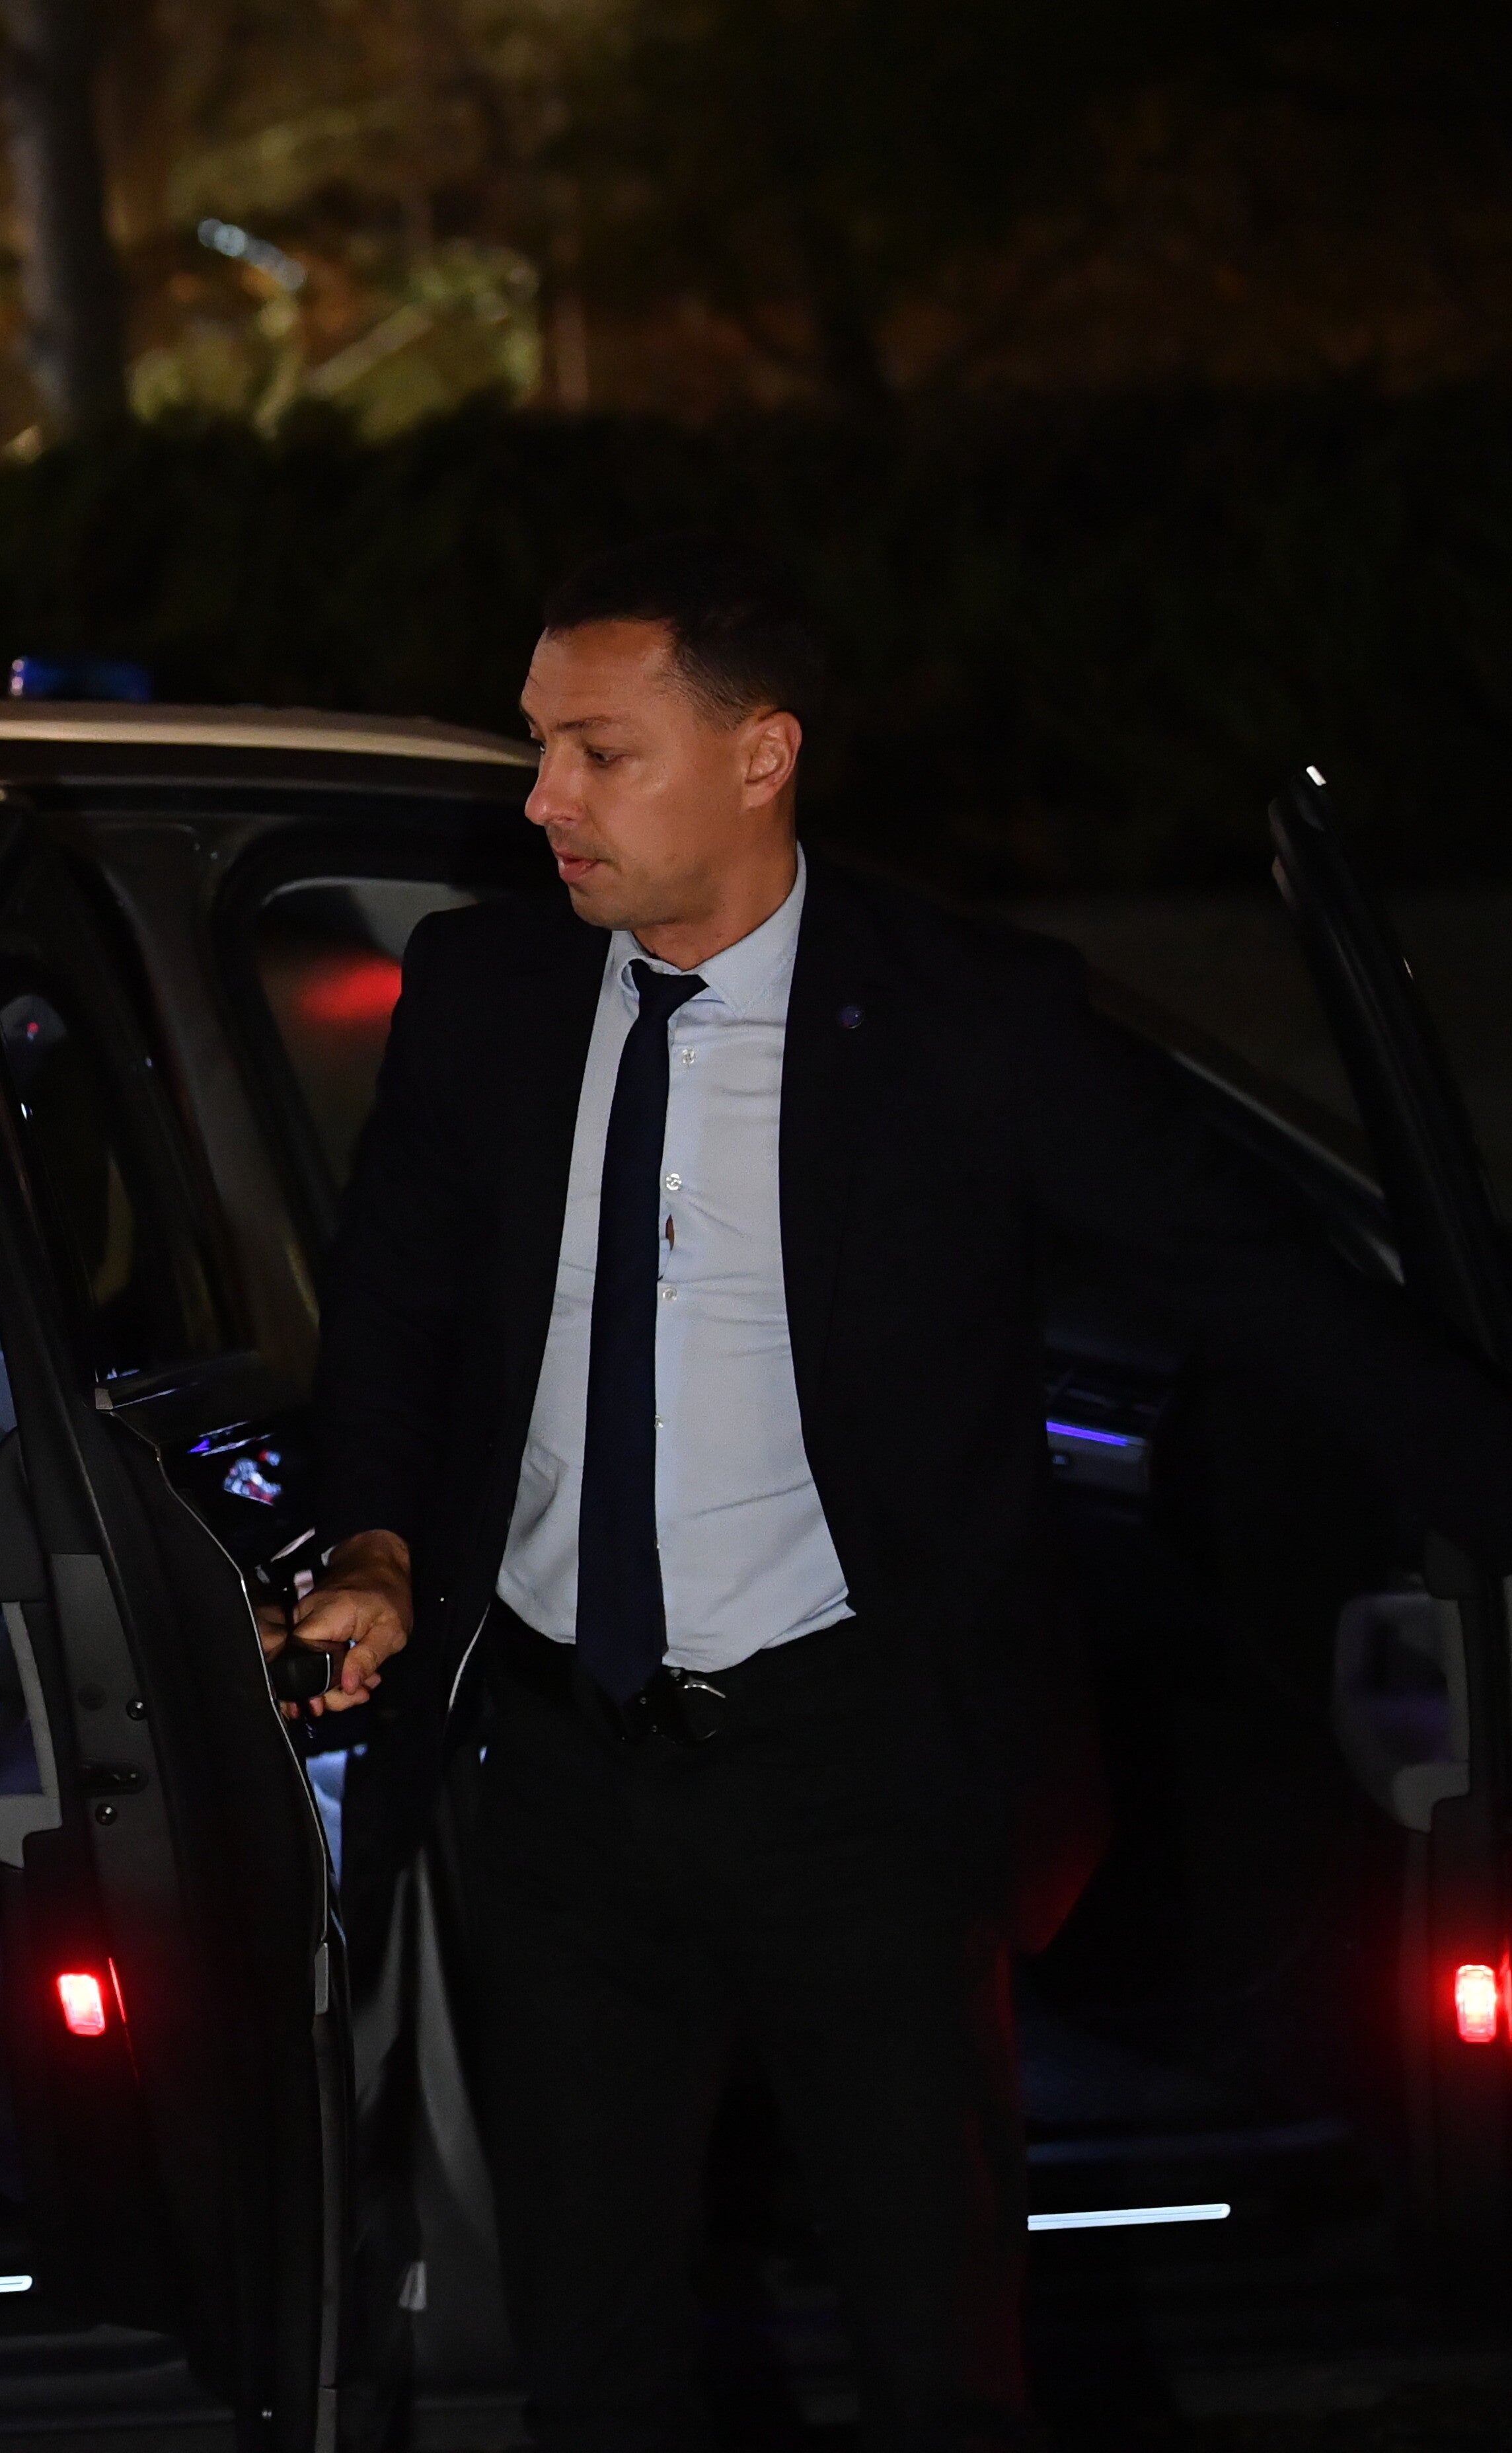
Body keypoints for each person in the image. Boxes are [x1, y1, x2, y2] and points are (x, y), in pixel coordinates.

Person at [272, 535, 1512, 2448]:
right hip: (555, 1781)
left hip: (863, 1778)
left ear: (761, 756)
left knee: (937, 2349)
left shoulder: (966, 1023)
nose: (542, 803)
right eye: (539, 749)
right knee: (592, 2364)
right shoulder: (488, 990)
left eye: (599, 754)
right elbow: (398, 1311)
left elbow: (1256, 1287)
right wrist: (372, 1539)